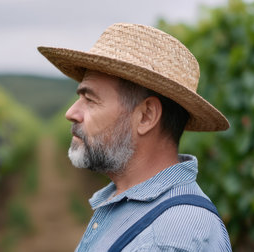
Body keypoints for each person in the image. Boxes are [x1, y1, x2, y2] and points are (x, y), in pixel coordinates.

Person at [38, 23, 231, 251]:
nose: (71, 113)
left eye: (90, 100)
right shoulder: (128, 202)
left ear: (146, 116)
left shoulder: (166, 241)